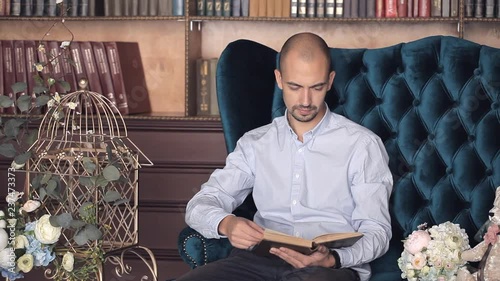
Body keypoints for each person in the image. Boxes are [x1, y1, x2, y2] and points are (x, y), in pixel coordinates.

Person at [177, 32, 393, 281]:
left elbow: (377, 231)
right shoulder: (255, 143)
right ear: (279, 79)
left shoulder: (362, 145)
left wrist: (334, 259)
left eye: (316, 87)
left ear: (330, 81)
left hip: (328, 268)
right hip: (257, 262)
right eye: (295, 86)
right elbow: (199, 205)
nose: (305, 100)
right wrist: (227, 224)